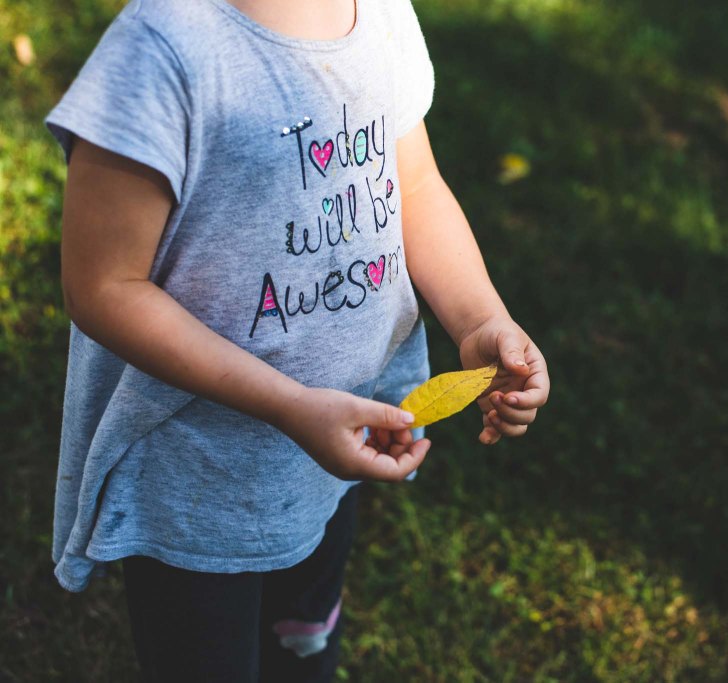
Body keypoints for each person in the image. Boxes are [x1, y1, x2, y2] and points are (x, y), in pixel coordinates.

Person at [45, 0, 550, 680]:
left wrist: (480, 318)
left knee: (303, 643)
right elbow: (103, 287)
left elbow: (415, 185)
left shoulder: (377, 13)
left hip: (333, 450)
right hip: (197, 482)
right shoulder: (163, 48)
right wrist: (289, 405)